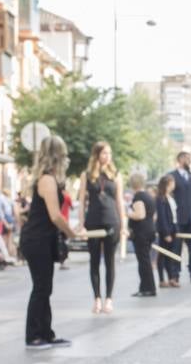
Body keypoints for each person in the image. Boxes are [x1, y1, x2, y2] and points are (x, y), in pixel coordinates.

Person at [19, 135, 79, 349]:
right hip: (37, 239)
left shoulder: (49, 179)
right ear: (57, 156)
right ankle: (34, 335)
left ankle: (46, 333)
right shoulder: (47, 180)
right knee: (41, 287)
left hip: (42, 238)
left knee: (45, 287)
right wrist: (72, 233)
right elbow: (55, 215)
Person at [80, 141, 123, 314]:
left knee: (110, 261)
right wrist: (81, 223)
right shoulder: (87, 174)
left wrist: (123, 223)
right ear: (97, 154)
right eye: (104, 153)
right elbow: (82, 201)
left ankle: (109, 299)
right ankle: (97, 298)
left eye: (109, 153)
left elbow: (119, 200)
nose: (107, 156)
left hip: (112, 220)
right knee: (94, 261)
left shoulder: (116, 174)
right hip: (93, 221)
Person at [169, 151, 191, 283]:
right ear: (179, 160)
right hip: (178, 218)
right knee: (176, 247)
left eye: (190, 158)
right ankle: (175, 274)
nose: (189, 161)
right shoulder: (172, 176)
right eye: (186, 158)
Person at [127, 171, 158, 297]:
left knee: (143, 262)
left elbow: (140, 214)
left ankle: (147, 288)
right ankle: (146, 287)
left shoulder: (138, 197)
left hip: (141, 233)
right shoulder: (148, 196)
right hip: (149, 230)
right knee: (146, 261)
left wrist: (127, 213)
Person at [154, 174, 179, 287]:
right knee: (163, 255)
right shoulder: (160, 199)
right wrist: (166, 233)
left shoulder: (171, 197)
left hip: (173, 227)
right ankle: (161, 279)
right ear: (168, 184)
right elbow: (162, 217)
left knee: (170, 255)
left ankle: (171, 277)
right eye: (172, 183)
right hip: (166, 230)